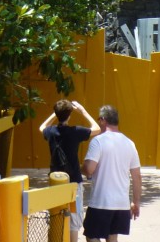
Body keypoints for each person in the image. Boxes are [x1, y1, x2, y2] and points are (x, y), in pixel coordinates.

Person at [40, 100, 101, 242]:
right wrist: (82, 110)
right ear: (70, 115)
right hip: (73, 181)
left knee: (56, 219)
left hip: (55, 181)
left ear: (57, 113)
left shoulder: (51, 132)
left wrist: (54, 115)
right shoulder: (76, 132)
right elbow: (96, 128)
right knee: (73, 223)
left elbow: (42, 127)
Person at [82, 104, 141, 242]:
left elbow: (89, 169)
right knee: (112, 236)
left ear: (103, 120)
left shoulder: (98, 141)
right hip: (121, 203)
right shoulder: (129, 143)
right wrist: (135, 202)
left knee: (91, 236)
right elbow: (137, 176)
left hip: (101, 201)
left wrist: (81, 167)